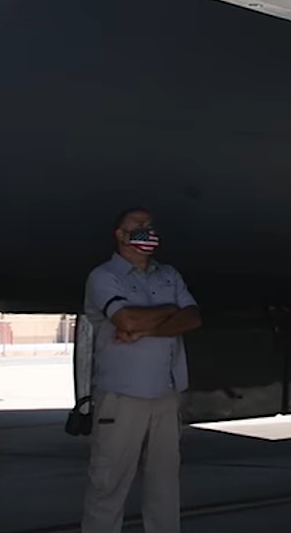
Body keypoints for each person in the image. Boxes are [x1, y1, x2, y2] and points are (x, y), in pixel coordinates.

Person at [80, 208, 202, 533]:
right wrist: (167, 313)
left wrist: (144, 330)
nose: (146, 230)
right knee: (109, 484)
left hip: (166, 395)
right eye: (138, 225)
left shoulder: (169, 275)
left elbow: (192, 318)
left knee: (164, 487)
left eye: (149, 225)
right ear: (120, 234)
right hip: (122, 398)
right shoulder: (104, 277)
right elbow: (125, 320)